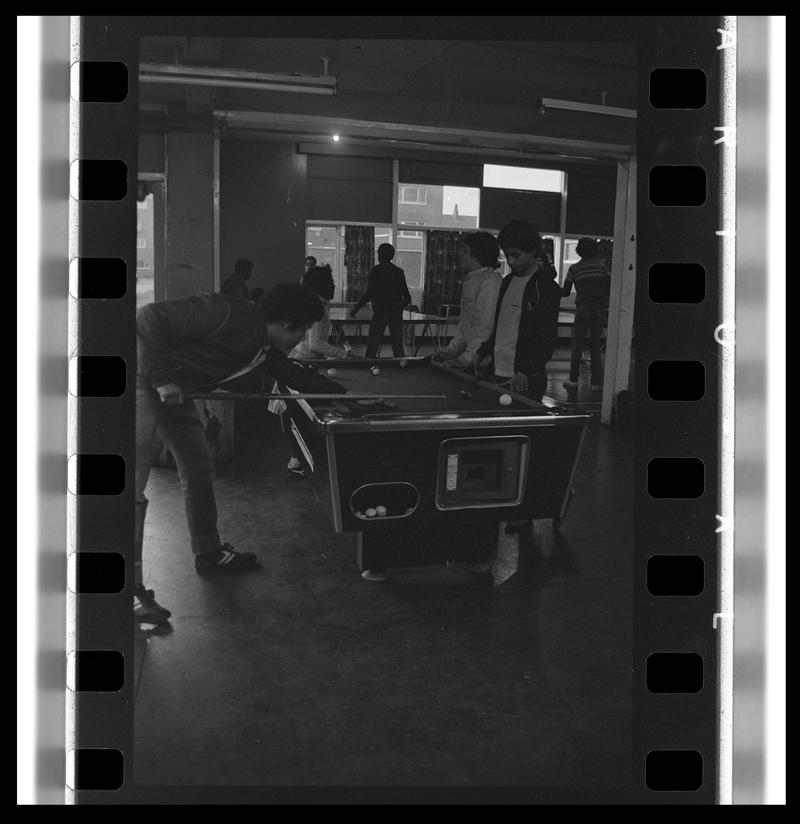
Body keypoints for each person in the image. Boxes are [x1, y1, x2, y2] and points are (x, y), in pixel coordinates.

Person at [134, 282, 346, 624]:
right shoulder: (229, 312)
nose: (301, 338)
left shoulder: (261, 346)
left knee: (198, 469)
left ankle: (208, 552)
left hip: (176, 390)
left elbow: (289, 373)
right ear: (287, 322)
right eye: (303, 330)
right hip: (142, 381)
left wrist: (342, 395)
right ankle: (128, 589)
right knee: (132, 488)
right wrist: (159, 379)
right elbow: (148, 317)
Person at [282, 264, 361, 478]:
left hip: (307, 362)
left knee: (299, 413)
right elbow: (315, 343)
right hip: (303, 363)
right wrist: (343, 355)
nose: (334, 285)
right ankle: (302, 460)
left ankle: (300, 459)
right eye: (331, 282)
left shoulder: (316, 305)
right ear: (322, 286)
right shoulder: (316, 308)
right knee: (298, 413)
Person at [473, 220, 561, 403]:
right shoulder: (506, 282)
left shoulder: (546, 287)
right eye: (507, 255)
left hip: (526, 378)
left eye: (516, 255)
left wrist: (527, 372)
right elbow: (501, 328)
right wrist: (481, 353)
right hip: (498, 372)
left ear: (533, 251)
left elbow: (547, 337)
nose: (511, 261)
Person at [431, 231, 502, 369]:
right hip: (472, 358)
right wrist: (450, 353)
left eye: (465, 251)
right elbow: (465, 326)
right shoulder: (471, 281)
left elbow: (484, 330)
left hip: (483, 361)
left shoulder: (490, 283)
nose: (460, 254)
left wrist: (464, 360)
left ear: (478, 255)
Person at [561, 237, 611, 392]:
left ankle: (573, 380)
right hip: (599, 308)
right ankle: (596, 383)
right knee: (595, 346)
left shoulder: (574, 269)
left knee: (577, 345)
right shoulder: (602, 267)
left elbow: (566, 291)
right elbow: (609, 288)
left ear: (579, 251)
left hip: (582, 308)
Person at [350, 243, 412, 358]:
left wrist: (356, 308)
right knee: (398, 346)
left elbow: (369, 293)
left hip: (380, 312)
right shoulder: (399, 272)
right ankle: (400, 369)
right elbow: (407, 298)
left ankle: (369, 366)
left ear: (379, 256)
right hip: (395, 313)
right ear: (392, 256)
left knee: (373, 344)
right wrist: (398, 307)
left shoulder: (376, 271)